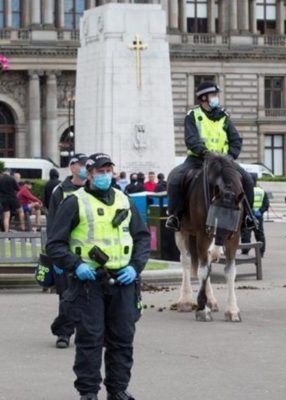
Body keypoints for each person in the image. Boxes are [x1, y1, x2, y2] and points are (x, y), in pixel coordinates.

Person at [46, 153, 150, 400]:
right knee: (90, 342)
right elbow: (55, 244)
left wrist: (135, 267)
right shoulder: (74, 202)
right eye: (100, 171)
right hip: (88, 283)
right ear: (89, 174)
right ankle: (88, 392)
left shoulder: (125, 201)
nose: (105, 175)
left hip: (123, 282)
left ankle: (117, 390)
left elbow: (142, 238)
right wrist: (75, 264)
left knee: (122, 340)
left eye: (108, 170)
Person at [166, 81, 255, 231]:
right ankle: (175, 216)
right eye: (213, 95)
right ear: (203, 98)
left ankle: (248, 217)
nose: (216, 98)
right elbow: (191, 139)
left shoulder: (224, 116)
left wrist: (231, 155)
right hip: (198, 160)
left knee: (247, 179)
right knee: (175, 178)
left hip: (223, 162)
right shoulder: (193, 115)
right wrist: (205, 153)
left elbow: (235, 139)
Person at [47, 153, 88, 349]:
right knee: (66, 296)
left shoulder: (93, 190)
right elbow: (53, 223)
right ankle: (64, 332)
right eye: (80, 165)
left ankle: (89, 332)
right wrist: (55, 255)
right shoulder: (60, 191)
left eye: (86, 165)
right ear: (72, 167)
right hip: (65, 252)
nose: (84, 168)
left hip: (89, 253)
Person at [241, 174, 269, 257]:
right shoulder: (261, 191)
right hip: (258, 216)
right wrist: (260, 211)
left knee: (246, 234)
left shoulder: (246, 191)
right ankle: (261, 252)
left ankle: (245, 251)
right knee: (259, 234)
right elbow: (266, 204)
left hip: (247, 215)